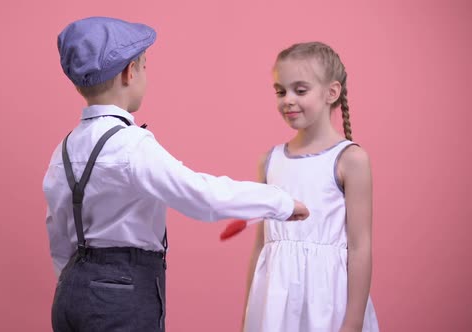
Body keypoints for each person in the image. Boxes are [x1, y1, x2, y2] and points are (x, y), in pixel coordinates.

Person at [43, 17, 309, 332]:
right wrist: (280, 202)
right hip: (122, 295)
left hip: (70, 294)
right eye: (144, 66)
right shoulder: (131, 145)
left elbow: (58, 234)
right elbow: (202, 197)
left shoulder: (63, 150)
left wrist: (83, 280)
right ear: (130, 72)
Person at [242, 41, 379, 332]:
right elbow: (260, 245)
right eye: (280, 91)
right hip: (276, 302)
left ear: (332, 92)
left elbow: (360, 246)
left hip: (328, 301)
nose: (287, 100)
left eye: (300, 90)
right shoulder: (269, 160)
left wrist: (353, 322)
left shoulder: (350, 159)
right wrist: (249, 314)